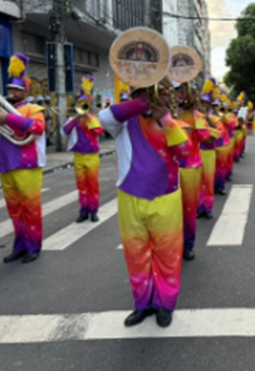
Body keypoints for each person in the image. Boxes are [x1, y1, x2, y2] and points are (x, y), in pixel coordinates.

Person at [99, 80, 191, 328]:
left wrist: (167, 120)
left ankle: (165, 305)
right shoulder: (122, 123)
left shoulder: (172, 122)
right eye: (141, 94)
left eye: (156, 94)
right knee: (136, 255)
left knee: (167, 255)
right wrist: (143, 103)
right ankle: (143, 304)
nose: (150, 99)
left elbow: (185, 153)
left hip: (166, 196)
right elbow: (104, 117)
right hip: (129, 196)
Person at [0, 53, 46, 264]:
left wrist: (6, 117)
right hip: (5, 165)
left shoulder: (34, 108)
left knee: (30, 208)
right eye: (9, 89)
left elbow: (38, 127)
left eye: (16, 90)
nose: (11, 93)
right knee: (15, 211)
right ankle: (20, 246)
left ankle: (33, 247)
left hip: (28, 164)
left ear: (25, 91)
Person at [175, 80, 211, 261]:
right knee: (169, 212)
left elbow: (204, 136)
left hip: (190, 167)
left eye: (181, 93)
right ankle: (172, 245)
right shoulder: (167, 114)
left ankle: (188, 245)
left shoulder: (196, 115)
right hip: (168, 168)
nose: (179, 96)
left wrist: (198, 121)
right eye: (176, 92)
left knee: (189, 210)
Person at [62, 75, 104, 223]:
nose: (82, 106)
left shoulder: (93, 119)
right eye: (80, 103)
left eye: (85, 103)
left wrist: (89, 118)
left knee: (93, 185)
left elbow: (99, 132)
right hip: (78, 155)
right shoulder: (73, 120)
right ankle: (83, 211)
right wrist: (75, 118)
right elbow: (65, 131)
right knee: (81, 186)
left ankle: (93, 211)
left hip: (92, 156)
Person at [198, 79, 221, 220]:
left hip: (209, 151)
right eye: (202, 102)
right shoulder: (194, 115)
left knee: (208, 181)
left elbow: (219, 132)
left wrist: (207, 134)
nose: (204, 105)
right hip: (195, 152)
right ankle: (199, 207)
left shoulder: (214, 117)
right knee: (197, 183)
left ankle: (207, 207)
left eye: (206, 103)